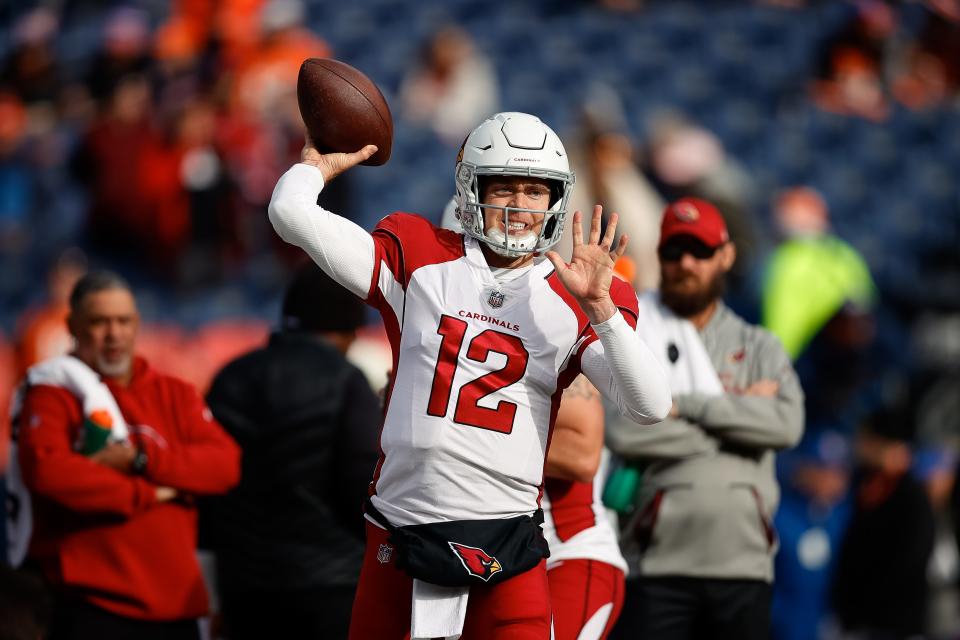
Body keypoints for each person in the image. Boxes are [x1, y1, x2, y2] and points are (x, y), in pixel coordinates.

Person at [268, 111, 671, 639]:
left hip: (507, 548)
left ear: (556, 198)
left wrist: (602, 310)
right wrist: (313, 168)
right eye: (504, 187)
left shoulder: (577, 296)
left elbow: (651, 407)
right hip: (399, 535)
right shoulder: (420, 257)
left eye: (535, 190)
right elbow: (289, 212)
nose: (520, 206)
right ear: (470, 186)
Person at [606, 197, 804, 640]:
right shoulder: (635, 333)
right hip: (655, 565)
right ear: (660, 257)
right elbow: (621, 430)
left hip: (744, 568)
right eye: (675, 252)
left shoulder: (759, 345)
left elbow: (786, 426)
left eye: (700, 251)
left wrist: (688, 407)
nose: (687, 264)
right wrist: (739, 424)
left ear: (726, 256)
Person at [14, 271, 241, 639]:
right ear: (73, 326)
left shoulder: (175, 393)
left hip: (176, 612)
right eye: (99, 322)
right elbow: (49, 473)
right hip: (91, 608)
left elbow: (224, 466)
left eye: (124, 321)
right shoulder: (53, 393)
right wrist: (150, 493)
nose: (114, 334)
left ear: (138, 325)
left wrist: (140, 460)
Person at [199, 261, 382, 640]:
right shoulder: (346, 381)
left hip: (244, 589)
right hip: (330, 588)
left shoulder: (230, 377)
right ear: (348, 329)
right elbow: (361, 489)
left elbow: (208, 488)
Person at [543, 374, 627, 640]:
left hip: (571, 551)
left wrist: (483, 439)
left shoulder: (553, 349)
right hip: (500, 555)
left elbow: (583, 456)